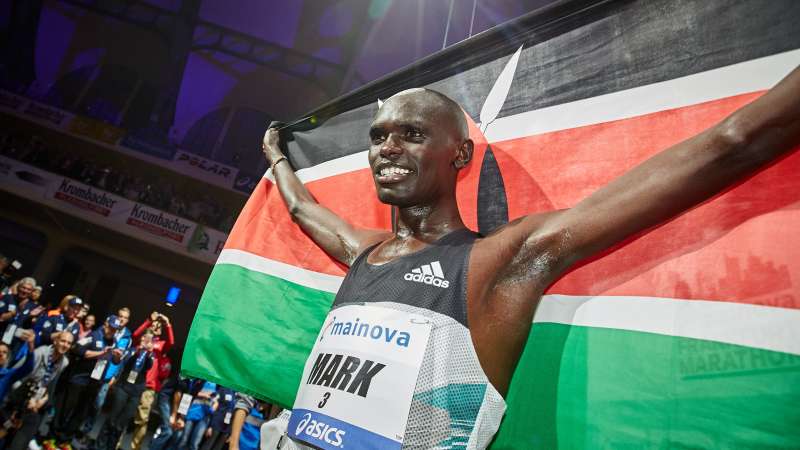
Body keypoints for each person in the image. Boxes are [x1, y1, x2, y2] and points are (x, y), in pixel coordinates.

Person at [260, 64, 800, 448]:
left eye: (412, 134)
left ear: (461, 155)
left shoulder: (501, 261)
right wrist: (277, 157)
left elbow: (732, 144)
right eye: (378, 137)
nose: (387, 149)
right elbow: (305, 211)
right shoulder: (367, 252)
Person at [50, 315, 123, 449]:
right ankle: (53, 436)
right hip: (80, 380)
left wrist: (118, 358)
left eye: (115, 329)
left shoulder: (114, 341)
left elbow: (114, 361)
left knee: (81, 413)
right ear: (106, 324)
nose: (112, 331)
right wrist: (100, 353)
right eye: (111, 327)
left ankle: (65, 439)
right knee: (66, 408)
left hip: (95, 383)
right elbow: (77, 349)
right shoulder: (94, 335)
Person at [6, 331, 73, 450]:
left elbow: (47, 383)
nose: (65, 345)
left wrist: (44, 398)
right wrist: (27, 399)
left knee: (28, 430)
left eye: (69, 343)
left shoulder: (64, 362)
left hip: (34, 400)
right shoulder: (39, 353)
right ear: (55, 341)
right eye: (63, 341)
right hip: (17, 393)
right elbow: (14, 377)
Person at [94, 329, 154, 450]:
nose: (145, 340)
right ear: (141, 338)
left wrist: (147, 353)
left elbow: (148, 366)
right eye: (144, 337)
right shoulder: (131, 350)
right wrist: (137, 351)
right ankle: (99, 447)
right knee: (112, 419)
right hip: (123, 387)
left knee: (121, 424)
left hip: (136, 392)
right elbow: (124, 362)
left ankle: (111, 447)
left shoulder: (149, 355)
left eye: (148, 339)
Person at [129, 312, 174, 450]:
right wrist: (149, 320)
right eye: (154, 325)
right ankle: (116, 443)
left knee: (142, 419)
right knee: (127, 414)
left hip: (149, 387)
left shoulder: (160, 345)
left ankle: (134, 447)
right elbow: (135, 335)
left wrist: (168, 324)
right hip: (133, 382)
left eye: (158, 327)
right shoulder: (143, 340)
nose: (155, 328)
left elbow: (171, 342)